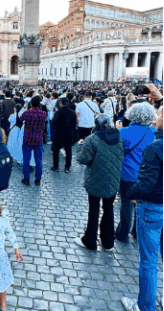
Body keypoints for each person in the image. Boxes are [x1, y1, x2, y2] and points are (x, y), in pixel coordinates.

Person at [121, 105, 163, 311]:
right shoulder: (153, 136)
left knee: (148, 261)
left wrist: (133, 194)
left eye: (161, 113)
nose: (158, 116)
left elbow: (145, 185)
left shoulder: (154, 146)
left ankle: (145, 306)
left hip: (148, 198)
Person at [74, 114, 123, 252]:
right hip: (113, 178)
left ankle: (90, 240)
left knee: (94, 208)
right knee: (109, 208)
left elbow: (82, 159)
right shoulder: (119, 137)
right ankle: (108, 242)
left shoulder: (91, 139)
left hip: (95, 177)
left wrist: (80, 146)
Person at [115, 102, 157, 243]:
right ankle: (136, 231)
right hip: (143, 174)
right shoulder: (151, 133)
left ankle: (123, 232)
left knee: (126, 203)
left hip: (126, 173)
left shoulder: (123, 132)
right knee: (139, 203)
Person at [20, 96, 47, 186]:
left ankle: (26, 178)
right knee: (38, 160)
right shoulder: (43, 114)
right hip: (38, 139)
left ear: (31, 104)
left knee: (26, 160)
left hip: (27, 138)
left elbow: (20, 119)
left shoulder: (27, 113)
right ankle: (38, 179)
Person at [51, 97, 77, 172]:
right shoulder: (72, 112)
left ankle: (56, 166)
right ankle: (67, 167)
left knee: (56, 150)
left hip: (59, 133)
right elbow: (74, 123)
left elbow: (54, 122)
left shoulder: (58, 112)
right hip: (69, 133)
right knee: (68, 150)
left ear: (61, 103)